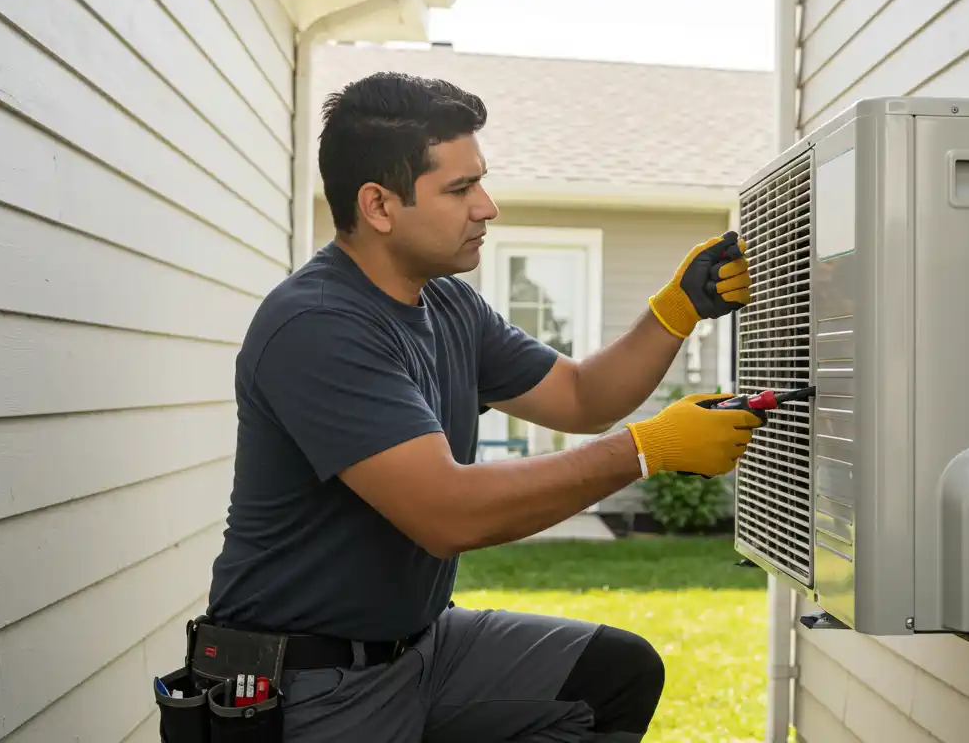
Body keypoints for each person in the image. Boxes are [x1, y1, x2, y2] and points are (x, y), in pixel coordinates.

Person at [204, 70, 759, 742]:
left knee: (612, 677)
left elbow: (582, 397)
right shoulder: (318, 326)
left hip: (422, 648)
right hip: (312, 683)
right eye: (461, 188)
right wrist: (646, 451)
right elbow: (447, 513)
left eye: (481, 182)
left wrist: (679, 309)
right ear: (379, 206)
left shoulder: (446, 303)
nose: (487, 206)